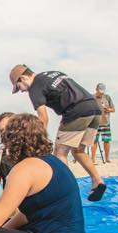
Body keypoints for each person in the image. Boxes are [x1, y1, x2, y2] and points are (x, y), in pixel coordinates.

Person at [9, 64, 107, 202]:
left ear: (23, 78)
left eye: (18, 87)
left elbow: (43, 118)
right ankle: (98, 181)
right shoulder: (52, 73)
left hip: (76, 111)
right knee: (78, 151)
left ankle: (68, 190)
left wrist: (37, 142)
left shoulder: (34, 88)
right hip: (94, 109)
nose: (21, 91)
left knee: (60, 153)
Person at [92, 83, 115, 164]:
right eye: (100, 91)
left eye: (102, 91)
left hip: (106, 122)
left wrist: (108, 109)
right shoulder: (92, 97)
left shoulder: (107, 97)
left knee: (107, 140)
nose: (101, 93)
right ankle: (93, 159)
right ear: (96, 89)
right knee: (94, 141)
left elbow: (113, 109)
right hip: (95, 122)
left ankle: (107, 158)